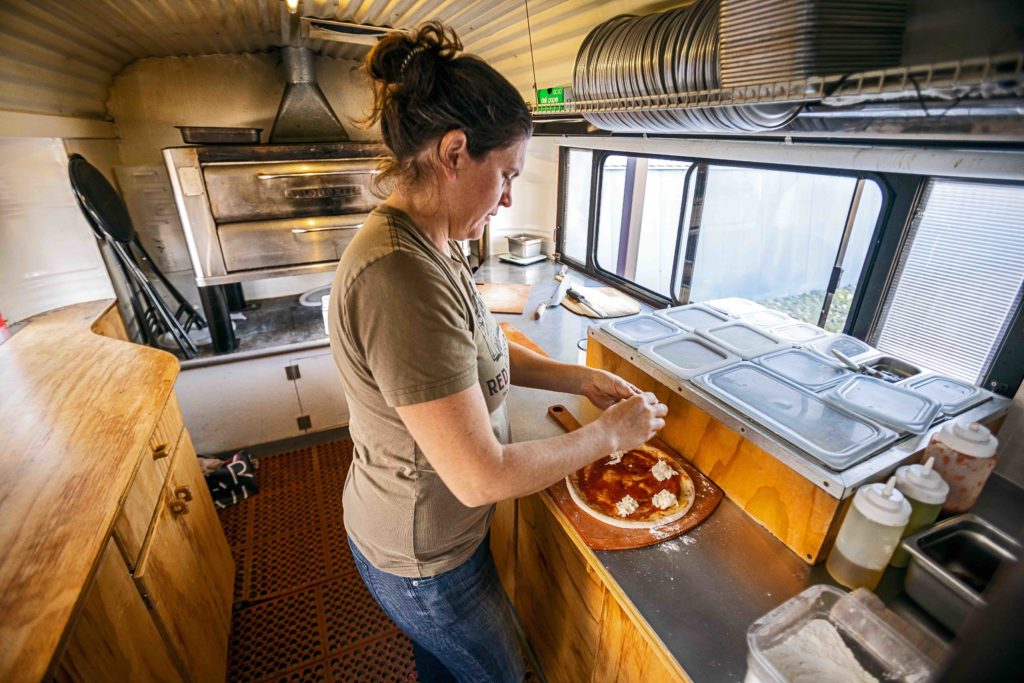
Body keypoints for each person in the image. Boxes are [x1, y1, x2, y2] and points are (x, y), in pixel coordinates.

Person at [328, 21, 668, 683]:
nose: (510, 197)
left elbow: (482, 350)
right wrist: (608, 436)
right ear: (455, 152)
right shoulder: (400, 278)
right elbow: (480, 477)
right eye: (506, 173)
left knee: (446, 669)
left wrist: (579, 376)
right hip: (425, 557)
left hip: (435, 535)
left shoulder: (434, 243)